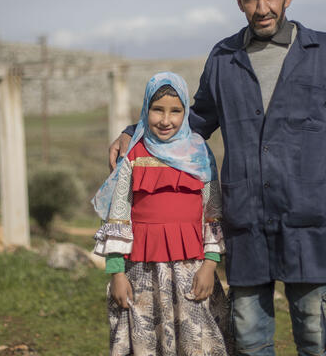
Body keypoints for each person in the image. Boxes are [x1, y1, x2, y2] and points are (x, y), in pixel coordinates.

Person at [109, 0, 326, 356]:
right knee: (251, 342)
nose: (262, 8)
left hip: (307, 222)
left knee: (316, 337)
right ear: (238, 1)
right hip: (245, 224)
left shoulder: (325, 52)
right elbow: (195, 119)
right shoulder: (224, 58)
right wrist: (133, 133)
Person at [93, 72, 232, 356]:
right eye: (157, 110)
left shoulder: (200, 153)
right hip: (141, 273)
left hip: (191, 271)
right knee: (146, 343)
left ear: (186, 113)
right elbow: (118, 217)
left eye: (175, 111)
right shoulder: (133, 154)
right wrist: (117, 273)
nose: (166, 120)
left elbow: (212, 215)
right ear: (146, 109)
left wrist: (210, 265)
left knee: (196, 342)